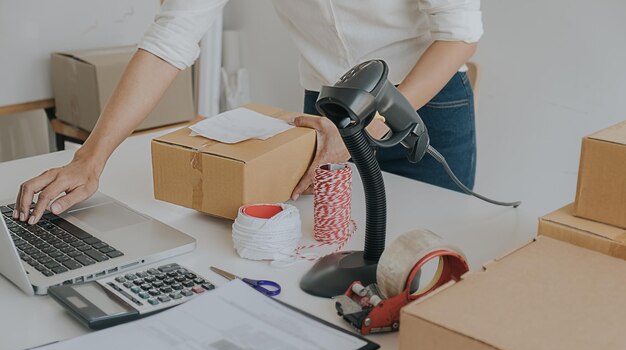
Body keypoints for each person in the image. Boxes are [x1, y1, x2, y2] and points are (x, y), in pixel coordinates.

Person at [14, 0, 482, 225]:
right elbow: (169, 41)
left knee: (425, 252)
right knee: (325, 249)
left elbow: (459, 33)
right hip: (327, 110)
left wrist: (363, 128)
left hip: (422, 103)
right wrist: (90, 160)